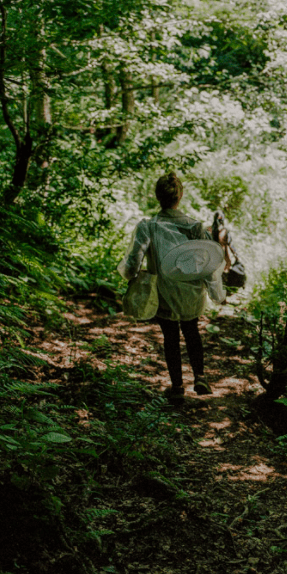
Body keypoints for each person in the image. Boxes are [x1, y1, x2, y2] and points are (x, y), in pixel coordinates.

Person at [118, 172, 226, 403]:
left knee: (170, 337)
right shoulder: (195, 227)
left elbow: (133, 260)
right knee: (192, 330)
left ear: (158, 196)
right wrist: (216, 292)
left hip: (164, 291)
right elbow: (208, 263)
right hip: (191, 292)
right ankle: (200, 376)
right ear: (180, 196)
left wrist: (131, 277)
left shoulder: (148, 226)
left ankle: (177, 387)